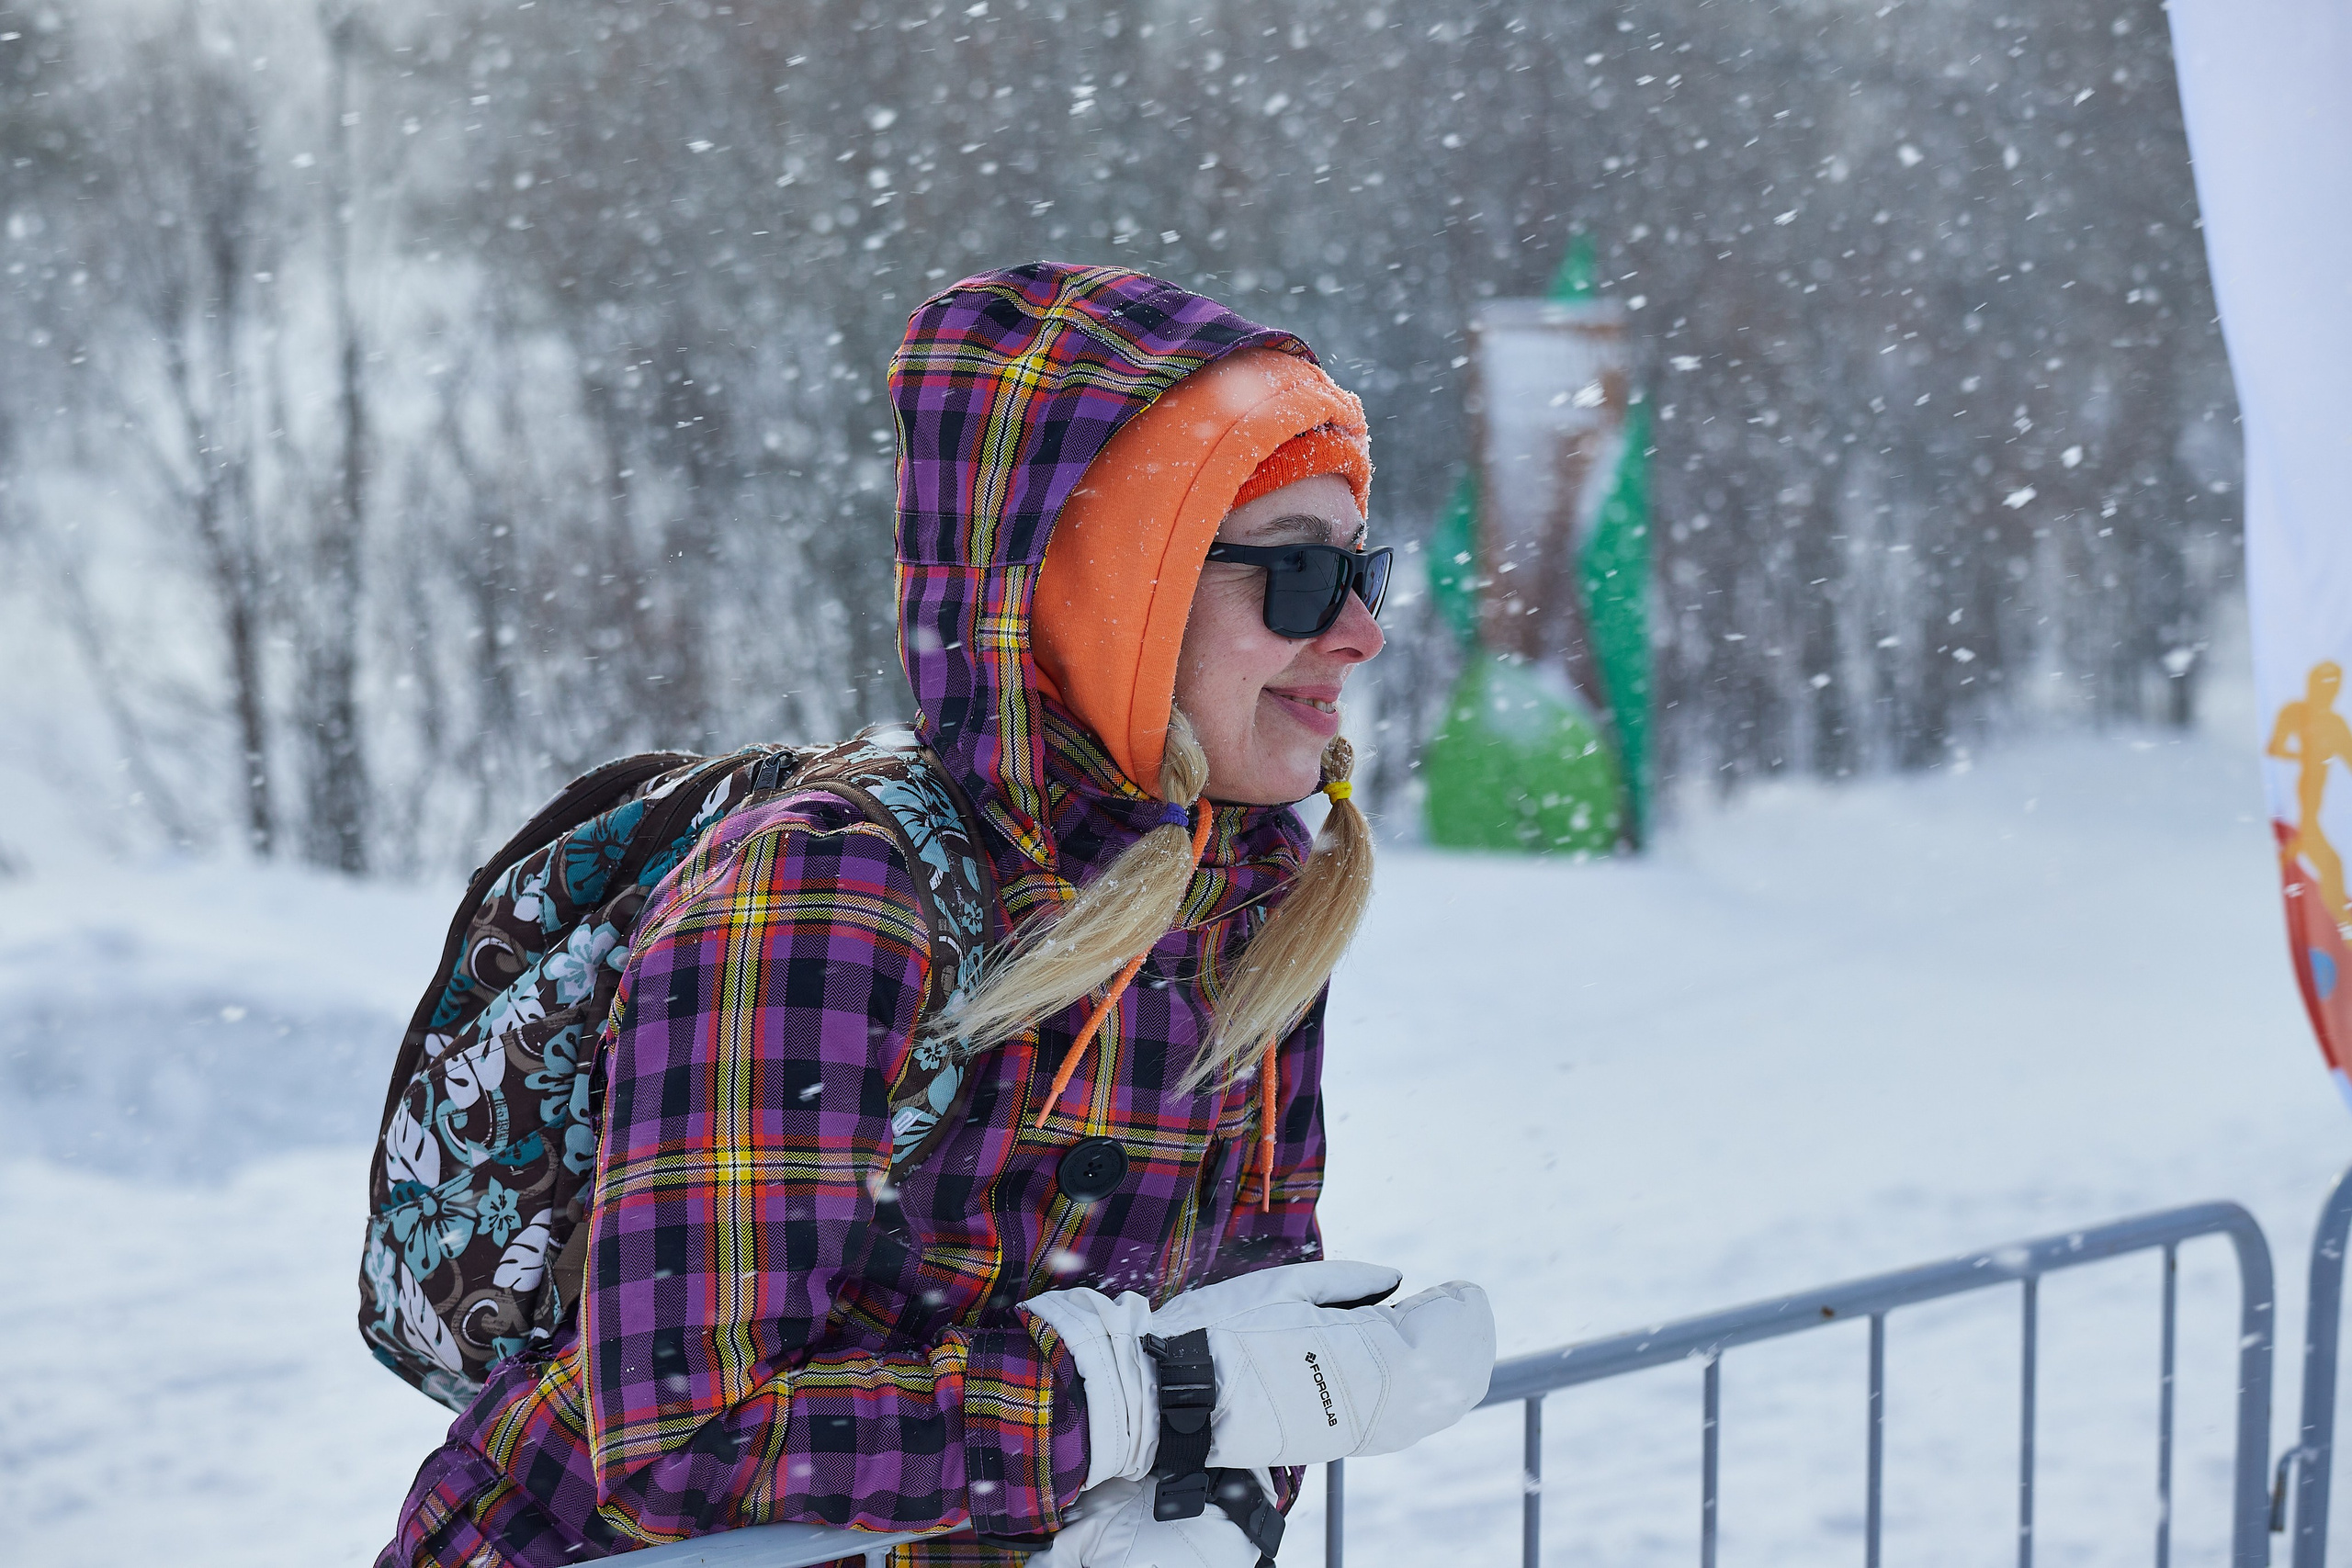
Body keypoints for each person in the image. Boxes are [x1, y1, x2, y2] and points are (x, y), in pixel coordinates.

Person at [377, 262, 1495, 1568]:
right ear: (1111, 590)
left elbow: (1265, 1324)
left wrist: (1218, 1501)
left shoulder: (1248, 893)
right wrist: (1145, 1401)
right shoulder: (830, 893)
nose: (1361, 632)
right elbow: (681, 1441)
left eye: (1367, 569)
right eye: (1298, 579)